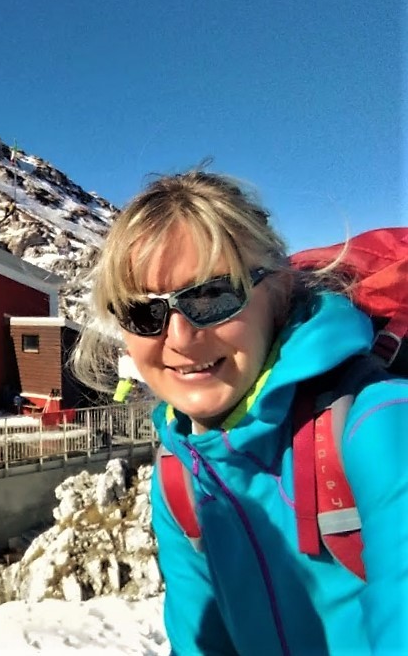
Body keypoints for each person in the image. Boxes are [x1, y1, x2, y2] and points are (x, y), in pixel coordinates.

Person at [72, 169, 407, 654]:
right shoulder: (179, 479)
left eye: (212, 295)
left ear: (280, 290)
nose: (180, 338)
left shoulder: (375, 425)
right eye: (144, 312)